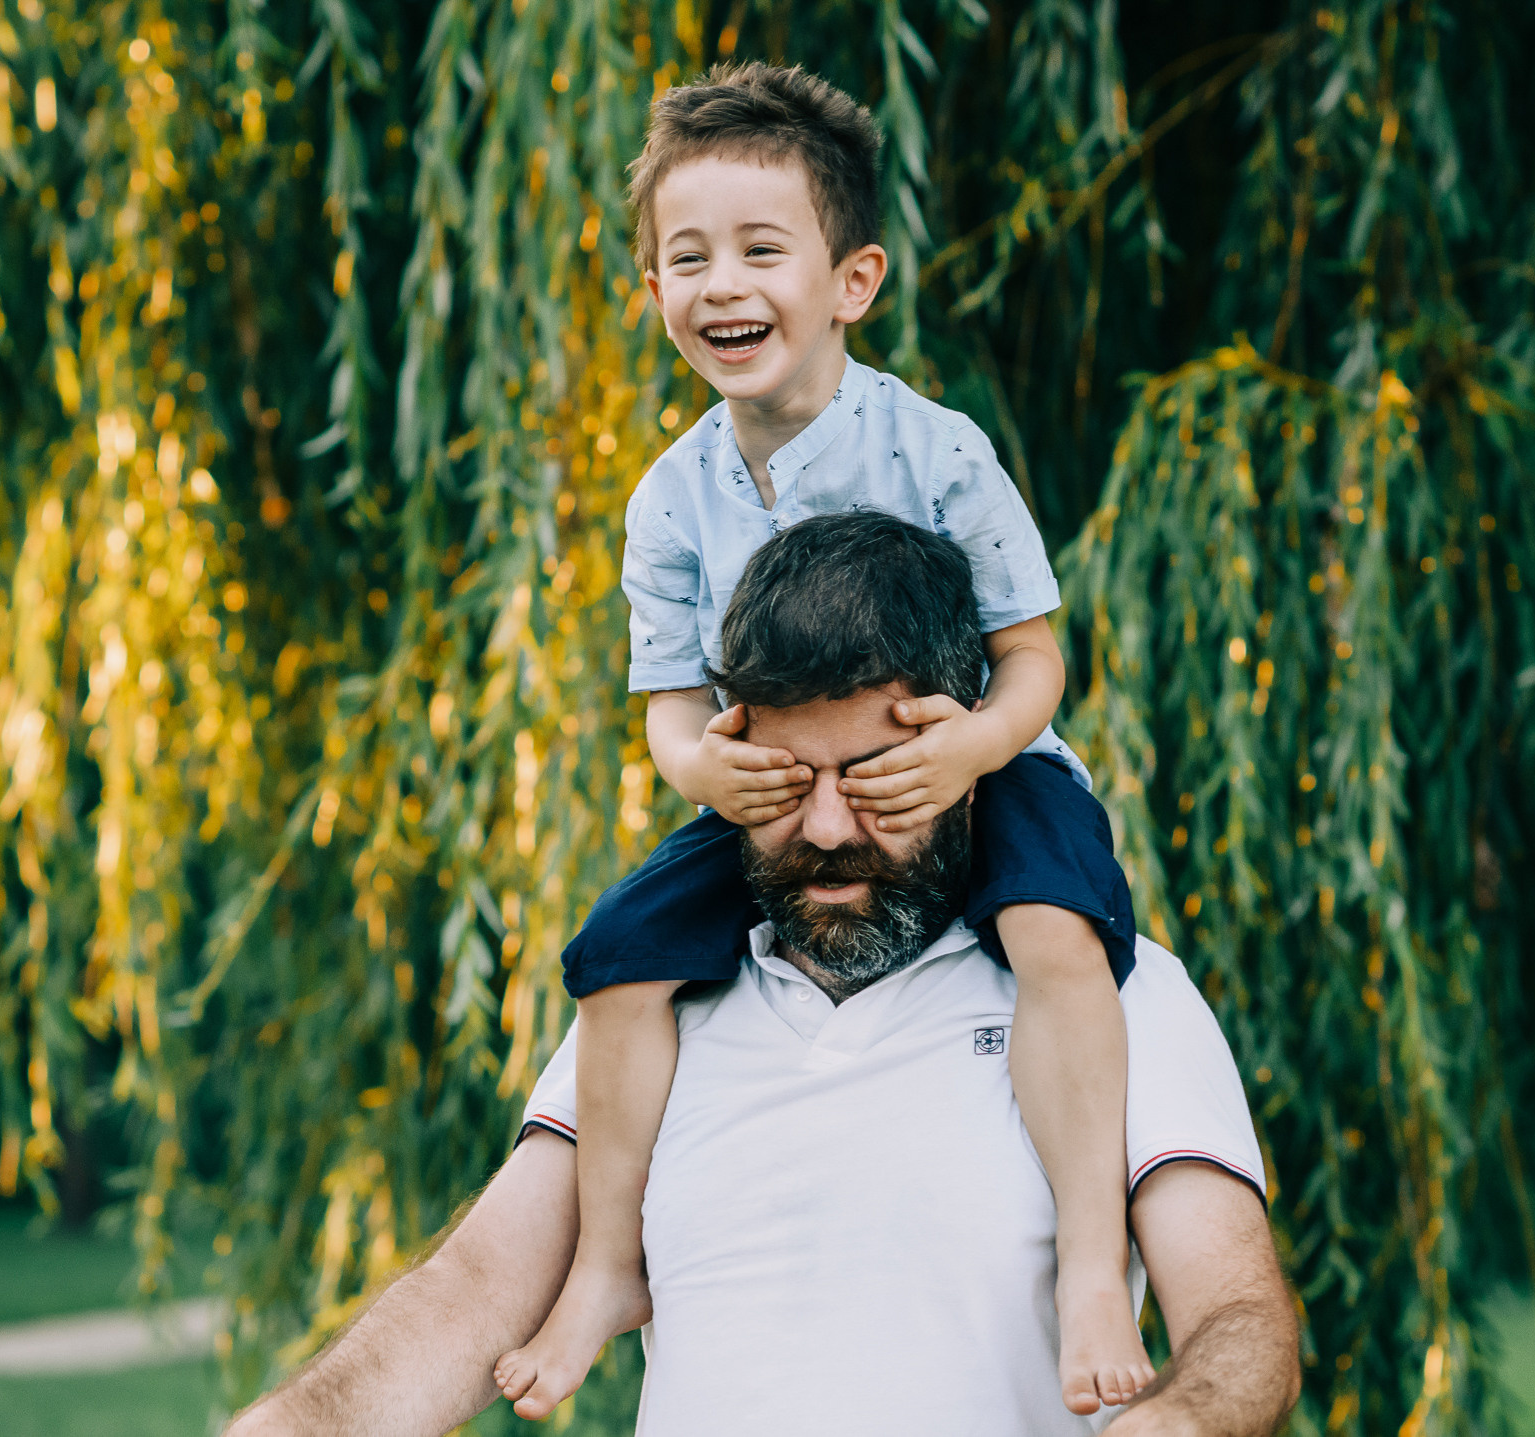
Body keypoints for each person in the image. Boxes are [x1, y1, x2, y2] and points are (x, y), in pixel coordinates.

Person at [227, 513, 1300, 1437]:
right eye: (784, 783)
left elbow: (1237, 1315)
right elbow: (472, 1289)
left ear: (967, 760)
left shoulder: (1109, 993)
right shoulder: (652, 1005)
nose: (827, 828)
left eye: (874, 779)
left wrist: (1178, 1417)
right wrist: (292, 1424)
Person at [495, 62, 1146, 1421]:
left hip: (968, 768)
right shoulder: (671, 499)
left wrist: (974, 749)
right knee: (618, 959)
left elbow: (1036, 656)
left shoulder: (938, 451)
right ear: (653, 293)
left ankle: (1092, 1258)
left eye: (759, 249)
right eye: (687, 258)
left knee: (1055, 938)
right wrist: (696, 770)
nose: (720, 284)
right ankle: (610, 1261)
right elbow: (672, 695)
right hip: (775, 792)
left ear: (851, 280)